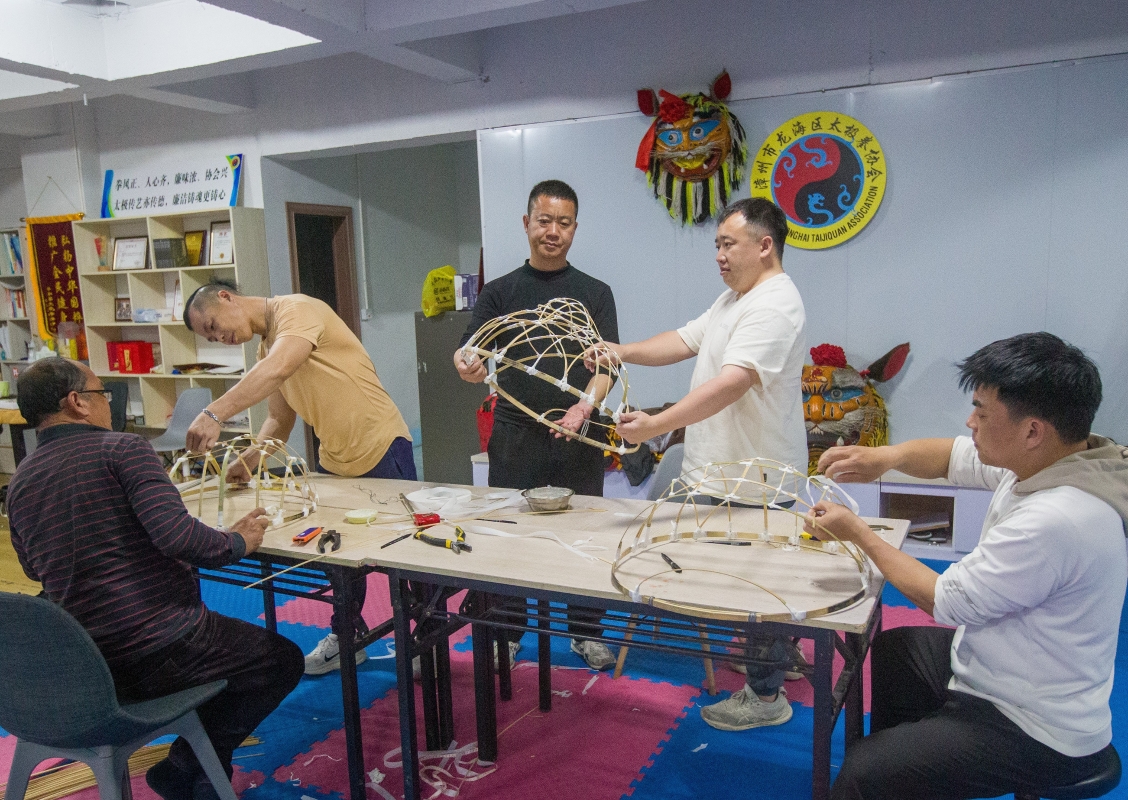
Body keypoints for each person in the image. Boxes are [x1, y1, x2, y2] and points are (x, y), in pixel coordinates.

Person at [806, 332, 1127, 800]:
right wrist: (882, 458)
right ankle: (911, 777)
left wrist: (856, 531)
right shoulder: (1058, 459)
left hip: (1034, 724)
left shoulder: (1057, 519)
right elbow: (953, 455)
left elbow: (946, 601)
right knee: (898, 650)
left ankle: (888, 777)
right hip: (1002, 666)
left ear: (1032, 431)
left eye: (982, 412)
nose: (970, 421)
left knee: (863, 774)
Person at [6, 358, 304, 800]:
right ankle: (185, 764)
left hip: (87, 663)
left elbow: (35, 569)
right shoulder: (121, 450)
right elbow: (178, 537)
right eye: (102, 393)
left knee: (229, 659)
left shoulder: (20, 482)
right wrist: (237, 541)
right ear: (77, 402)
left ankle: (200, 770)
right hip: (159, 645)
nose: (107, 404)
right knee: (279, 660)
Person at [588, 197, 807, 730]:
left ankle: (767, 696)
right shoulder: (735, 298)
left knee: (759, 582)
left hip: (755, 477)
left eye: (728, 244)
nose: (719, 255)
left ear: (765, 246)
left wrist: (658, 427)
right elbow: (685, 340)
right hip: (718, 468)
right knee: (734, 577)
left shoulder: (775, 304)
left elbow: (732, 383)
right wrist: (622, 351)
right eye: (717, 245)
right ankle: (775, 655)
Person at [183, 282, 416, 675]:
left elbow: (279, 367)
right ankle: (347, 636)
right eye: (210, 338)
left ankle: (423, 636)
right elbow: (279, 419)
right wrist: (249, 461)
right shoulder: (265, 349)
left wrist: (214, 413)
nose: (219, 337)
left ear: (225, 297)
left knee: (407, 556)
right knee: (337, 558)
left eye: (213, 326)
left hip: (382, 445)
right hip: (334, 460)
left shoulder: (297, 310)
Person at [454, 179, 619, 670]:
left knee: (584, 534)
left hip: (580, 434)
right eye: (544, 221)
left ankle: (586, 632)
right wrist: (465, 364)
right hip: (515, 434)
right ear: (527, 224)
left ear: (575, 228)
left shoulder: (595, 293)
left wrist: (584, 408)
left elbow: (608, 367)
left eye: (563, 223)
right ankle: (509, 632)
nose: (553, 231)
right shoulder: (500, 291)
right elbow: (469, 348)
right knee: (510, 533)